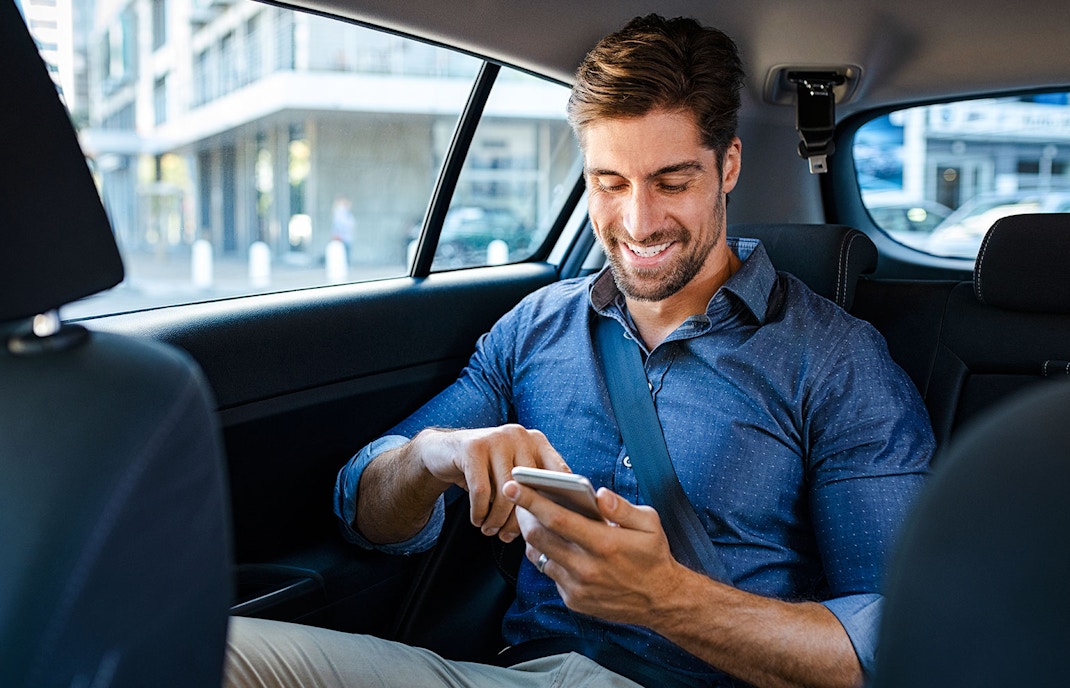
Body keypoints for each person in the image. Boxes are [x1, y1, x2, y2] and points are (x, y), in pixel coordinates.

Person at [225, 14, 934, 688]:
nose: (638, 221)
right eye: (610, 183)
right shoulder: (536, 328)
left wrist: (664, 598)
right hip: (516, 673)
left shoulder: (837, 362)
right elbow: (365, 513)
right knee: (215, 648)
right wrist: (433, 454)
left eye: (672, 181)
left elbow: (893, 649)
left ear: (728, 167)